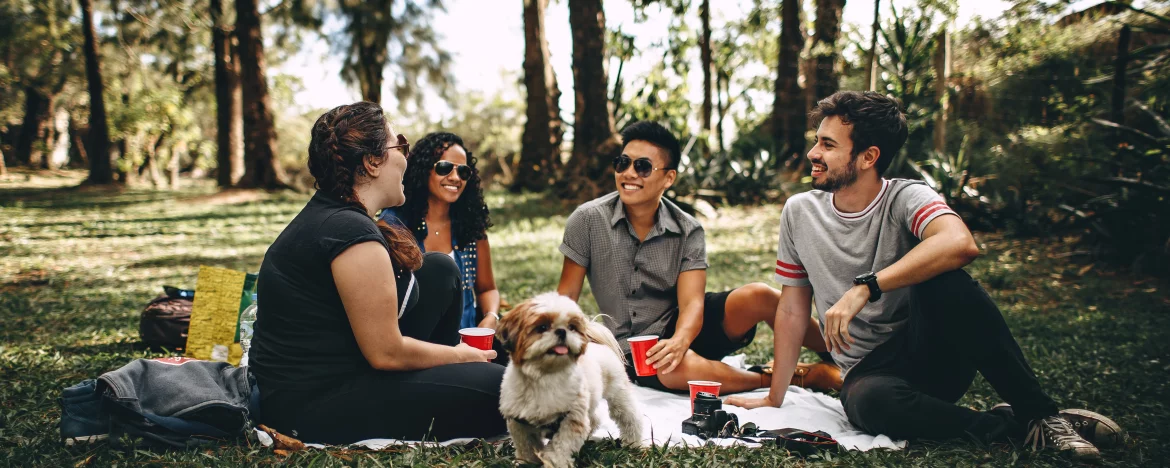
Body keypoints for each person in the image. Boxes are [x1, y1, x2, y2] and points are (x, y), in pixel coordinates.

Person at [726, 91, 1122, 461]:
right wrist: (775, 397)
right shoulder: (799, 212)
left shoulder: (906, 197)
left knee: (947, 280)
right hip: (870, 376)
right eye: (817, 141)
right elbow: (792, 310)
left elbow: (959, 242)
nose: (813, 153)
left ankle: (1041, 413)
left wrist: (867, 286)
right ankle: (1016, 426)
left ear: (868, 157)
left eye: (828, 145)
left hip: (932, 353)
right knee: (869, 404)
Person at [249, 102, 506, 444]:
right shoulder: (349, 232)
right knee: (505, 389)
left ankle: (451, 377)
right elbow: (386, 353)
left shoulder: (337, 216)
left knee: (440, 270)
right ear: (372, 162)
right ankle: (457, 378)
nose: (406, 159)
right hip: (314, 404)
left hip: (341, 371)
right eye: (400, 146)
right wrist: (461, 356)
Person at [556, 120, 841, 395]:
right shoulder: (587, 220)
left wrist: (680, 341)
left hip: (685, 325)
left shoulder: (687, 229)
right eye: (623, 163)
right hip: (633, 348)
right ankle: (793, 376)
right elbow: (566, 298)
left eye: (642, 166)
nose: (629, 173)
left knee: (760, 296)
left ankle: (844, 356)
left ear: (668, 178)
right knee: (673, 369)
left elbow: (692, 302)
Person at [377, 132, 501, 333]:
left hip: (467, 340)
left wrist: (491, 317)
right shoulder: (393, 225)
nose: (455, 178)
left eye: (463, 171)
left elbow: (487, 289)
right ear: (423, 169)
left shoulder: (470, 226)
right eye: (444, 168)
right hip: (416, 342)